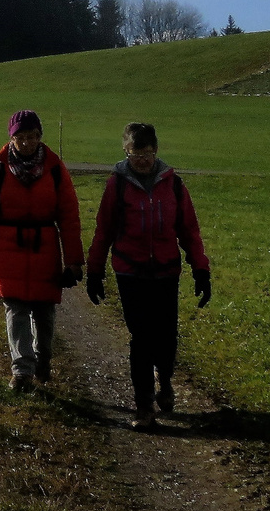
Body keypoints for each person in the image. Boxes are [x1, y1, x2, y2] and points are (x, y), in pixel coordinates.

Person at [85, 122, 211, 431]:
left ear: (157, 151)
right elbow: (104, 231)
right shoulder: (117, 185)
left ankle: (164, 379)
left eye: (148, 153)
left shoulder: (174, 185)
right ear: (125, 152)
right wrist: (95, 272)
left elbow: (189, 231)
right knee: (141, 338)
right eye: (136, 153)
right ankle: (144, 406)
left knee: (166, 336)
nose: (143, 159)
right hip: (130, 271)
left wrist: (201, 270)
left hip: (166, 271)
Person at [0, 109, 83, 392]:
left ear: (40, 137)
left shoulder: (55, 169)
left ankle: (43, 360)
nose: (27, 143)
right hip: (7, 249)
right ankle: (22, 372)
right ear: (11, 138)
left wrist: (74, 261)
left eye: (32, 137)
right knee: (16, 309)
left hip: (45, 247)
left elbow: (69, 215)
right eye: (21, 138)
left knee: (44, 311)